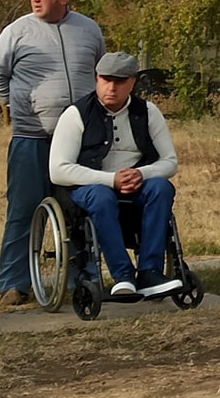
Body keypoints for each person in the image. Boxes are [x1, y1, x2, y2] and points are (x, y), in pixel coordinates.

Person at [0, 0, 105, 305]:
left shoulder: (89, 29)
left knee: (79, 208)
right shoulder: (17, 31)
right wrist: (16, 103)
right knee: (23, 208)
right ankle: (14, 283)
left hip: (79, 139)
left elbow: (99, 74)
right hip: (32, 137)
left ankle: (84, 279)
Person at [47, 51, 183, 300]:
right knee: (101, 196)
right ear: (96, 78)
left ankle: (150, 272)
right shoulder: (76, 115)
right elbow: (58, 170)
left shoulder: (148, 112)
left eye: (119, 81)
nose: (111, 87)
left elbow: (170, 162)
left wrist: (140, 174)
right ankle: (123, 275)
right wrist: (111, 180)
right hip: (89, 186)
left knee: (162, 188)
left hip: (136, 185)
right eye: (105, 80)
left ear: (132, 83)